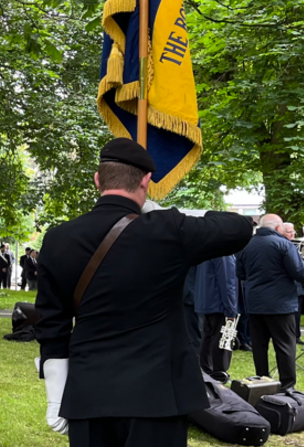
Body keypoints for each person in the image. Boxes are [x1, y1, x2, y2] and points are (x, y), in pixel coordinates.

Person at [35, 138, 254, 447]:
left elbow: (51, 325)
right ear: (146, 181)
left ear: (98, 180)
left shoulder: (58, 239)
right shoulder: (168, 230)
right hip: (158, 395)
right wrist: (165, 212)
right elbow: (239, 227)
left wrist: (55, 397)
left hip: (89, 392)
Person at [236, 214, 304, 391]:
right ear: (277, 228)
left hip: (255, 303)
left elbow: (240, 274)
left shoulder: (246, 245)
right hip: (281, 304)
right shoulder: (284, 244)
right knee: (285, 346)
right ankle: (287, 386)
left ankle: (261, 382)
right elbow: (298, 271)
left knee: (259, 346)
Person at [195, 254, 238, 383]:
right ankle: (220, 373)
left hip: (207, 301)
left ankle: (206, 370)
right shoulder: (224, 255)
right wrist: (231, 308)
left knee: (208, 338)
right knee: (222, 338)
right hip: (219, 303)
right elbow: (227, 282)